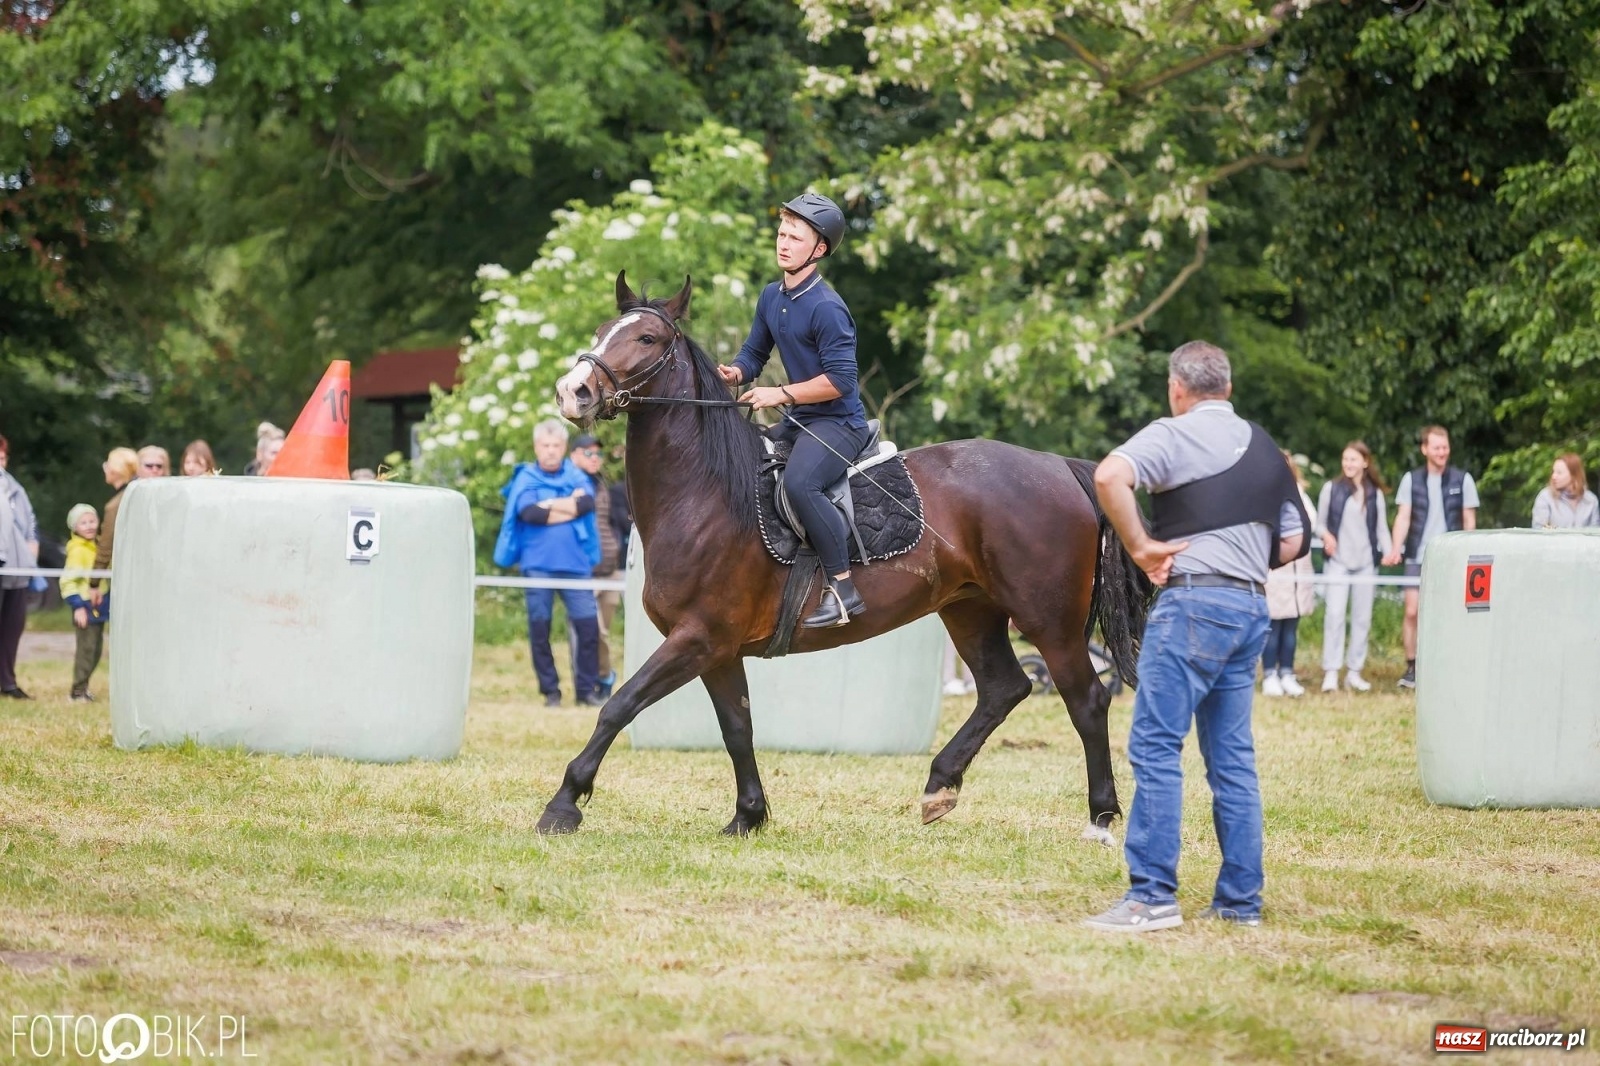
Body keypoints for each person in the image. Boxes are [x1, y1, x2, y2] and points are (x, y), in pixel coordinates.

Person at [1086, 341, 1308, 932]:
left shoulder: (1175, 433)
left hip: (1192, 604)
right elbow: (1293, 540)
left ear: (1176, 388)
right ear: (1228, 389)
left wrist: (1140, 545)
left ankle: (1151, 896)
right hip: (1251, 606)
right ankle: (1240, 903)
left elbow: (1111, 476)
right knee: (1232, 760)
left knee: (1157, 746)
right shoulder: (1265, 448)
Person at [717, 192, 870, 628]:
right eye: (781, 234)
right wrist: (735, 374)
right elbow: (754, 353)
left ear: (818, 249)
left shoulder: (827, 307)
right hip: (800, 420)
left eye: (795, 237)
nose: (783, 243)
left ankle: (843, 587)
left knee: (802, 484)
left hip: (839, 424)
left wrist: (779, 394)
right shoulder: (771, 295)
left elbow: (841, 382)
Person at [501, 420, 603, 708]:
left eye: (556, 445)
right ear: (536, 447)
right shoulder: (526, 477)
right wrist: (566, 505)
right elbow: (529, 514)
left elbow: (586, 505)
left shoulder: (576, 474)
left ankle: (586, 691)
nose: (550, 451)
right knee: (539, 629)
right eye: (545, 445)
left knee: (587, 628)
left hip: (576, 565)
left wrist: (549, 506)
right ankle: (551, 692)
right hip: (537, 565)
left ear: (563, 448)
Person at [1382, 425, 1478, 690]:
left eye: (1445, 447)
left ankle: (1445, 664)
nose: (1441, 452)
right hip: (1417, 554)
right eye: (1436, 447)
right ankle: (1412, 666)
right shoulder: (1411, 480)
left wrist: (1469, 551)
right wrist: (1395, 548)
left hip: (1451, 558)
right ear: (1425, 449)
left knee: (1449, 612)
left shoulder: (1463, 479)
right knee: (1412, 611)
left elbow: (1469, 520)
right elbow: (1403, 516)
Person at [1316, 442, 1392, 693]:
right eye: (1345, 459)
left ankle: (1354, 672)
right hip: (1338, 562)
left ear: (1365, 462)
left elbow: (1381, 528)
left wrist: (1390, 550)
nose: (1348, 464)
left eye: (1353, 459)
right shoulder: (1331, 489)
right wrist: (1326, 536)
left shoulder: (1374, 494)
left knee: (1362, 618)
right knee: (1335, 616)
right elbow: (1319, 524)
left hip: (1365, 564)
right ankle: (1331, 671)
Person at [1261, 451, 1316, 698]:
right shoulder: (1264, 496)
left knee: (1291, 627)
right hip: (1275, 571)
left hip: (1299, 573)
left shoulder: (1301, 494)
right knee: (1272, 627)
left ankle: (1288, 673)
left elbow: (1310, 523)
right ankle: (1270, 674)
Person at [570, 433, 620, 700]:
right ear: (574, 456)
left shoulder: (603, 484)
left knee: (602, 633)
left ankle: (601, 679)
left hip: (611, 569)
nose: (595, 459)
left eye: (598, 454)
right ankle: (591, 683)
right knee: (590, 631)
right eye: (588, 453)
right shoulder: (569, 483)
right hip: (584, 570)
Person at [0, 434, 41, 700]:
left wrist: (31, 553)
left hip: (17, 569)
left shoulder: (15, 489)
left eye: (3, 456)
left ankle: (7, 681)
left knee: (13, 626)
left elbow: (30, 524)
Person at [60, 504, 108, 701]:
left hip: (100, 605)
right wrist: (78, 606)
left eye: (92, 521)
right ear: (74, 527)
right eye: (83, 522)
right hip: (84, 606)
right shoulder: (78, 551)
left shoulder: (96, 546)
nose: (89, 526)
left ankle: (84, 687)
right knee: (86, 650)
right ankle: (77, 691)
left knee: (96, 649)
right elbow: (67, 581)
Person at [88, 448, 139, 624]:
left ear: (115, 470)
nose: (105, 469)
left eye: (107, 465)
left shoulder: (116, 505)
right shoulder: (141, 493)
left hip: (127, 578)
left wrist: (93, 583)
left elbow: (105, 547)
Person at [1531, 453, 1598, 528]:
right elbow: (1538, 531)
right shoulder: (1545, 497)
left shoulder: (1591, 500)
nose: (1553, 476)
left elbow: (1595, 533)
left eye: (1559, 472)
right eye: (1553, 472)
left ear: (1573, 475)